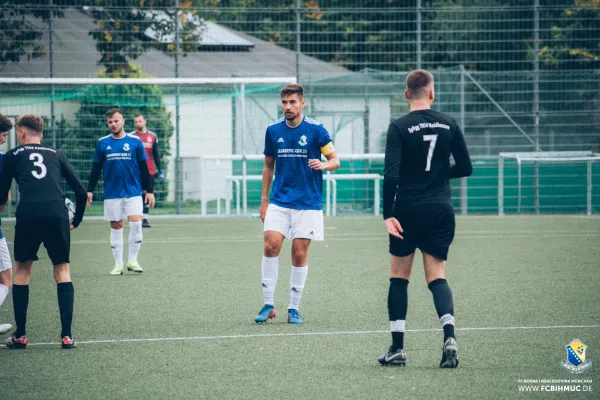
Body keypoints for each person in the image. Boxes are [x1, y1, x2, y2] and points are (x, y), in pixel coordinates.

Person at [378, 70, 472, 368]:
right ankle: (449, 336)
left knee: (399, 278)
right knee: (437, 277)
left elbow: (391, 174)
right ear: (432, 93)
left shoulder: (398, 127)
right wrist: (439, 174)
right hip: (439, 210)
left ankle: (397, 349)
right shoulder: (449, 123)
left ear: (407, 94)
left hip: (407, 210)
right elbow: (466, 167)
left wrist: (387, 214)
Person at [254, 84, 340, 325]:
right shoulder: (273, 130)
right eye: (284, 103)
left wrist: (324, 165)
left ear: (303, 103)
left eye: (292, 102)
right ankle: (268, 304)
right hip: (279, 201)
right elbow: (268, 166)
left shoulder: (316, 130)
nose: (288, 107)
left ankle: (294, 308)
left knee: (299, 253)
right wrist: (264, 201)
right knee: (271, 245)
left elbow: (335, 160)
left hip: (308, 203)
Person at [0, 114, 87, 349]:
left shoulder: (11, 156)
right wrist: (76, 220)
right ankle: (67, 336)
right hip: (56, 214)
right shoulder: (56, 154)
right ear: (42, 133)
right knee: (62, 270)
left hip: (28, 214)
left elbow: (1, 193)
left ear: (21, 132)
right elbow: (80, 191)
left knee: (22, 271)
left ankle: (21, 336)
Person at [87, 108, 155, 276]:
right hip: (112, 192)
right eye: (110, 122)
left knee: (136, 224)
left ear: (123, 121)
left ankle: (133, 261)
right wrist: (90, 190)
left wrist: (149, 191)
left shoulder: (135, 142)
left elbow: (143, 167)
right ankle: (118, 264)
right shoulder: (102, 143)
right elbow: (96, 168)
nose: (113, 124)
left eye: (116, 121)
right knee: (116, 226)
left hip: (133, 191)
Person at [131, 113, 163, 228]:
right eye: (135, 122)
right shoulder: (131, 137)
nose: (137, 123)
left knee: (147, 194)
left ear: (145, 122)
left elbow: (156, 154)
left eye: (139, 121)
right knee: (136, 194)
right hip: (135, 172)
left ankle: (145, 219)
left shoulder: (152, 136)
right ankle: (136, 217)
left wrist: (161, 170)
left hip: (149, 171)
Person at [0, 114, 13, 335]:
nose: (4, 139)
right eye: (3, 135)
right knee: (6, 278)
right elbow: (6, 199)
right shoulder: (2, 158)